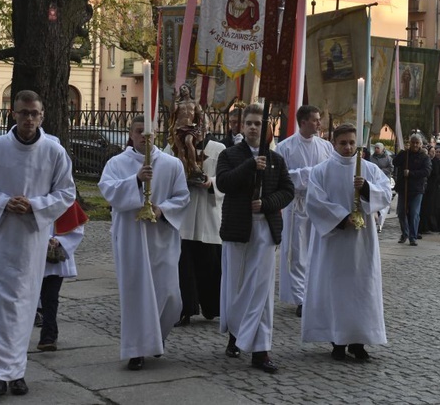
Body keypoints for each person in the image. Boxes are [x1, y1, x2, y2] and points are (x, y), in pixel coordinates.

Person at [0, 90, 76, 397]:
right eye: (23, 113)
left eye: (34, 114)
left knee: (24, 305)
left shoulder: (54, 152)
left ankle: (16, 372)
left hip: (32, 239)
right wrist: (2, 202)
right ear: (13, 114)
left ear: (43, 116)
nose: (29, 119)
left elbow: (67, 193)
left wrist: (36, 206)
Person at [98, 115, 190, 371]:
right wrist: (136, 180)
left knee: (171, 296)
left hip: (161, 236)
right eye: (139, 132)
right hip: (131, 237)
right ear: (131, 134)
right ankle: (137, 350)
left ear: (157, 134)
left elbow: (182, 197)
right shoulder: (117, 163)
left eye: (148, 133)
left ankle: (155, 337)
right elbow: (108, 191)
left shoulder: (172, 164)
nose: (144, 138)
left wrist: (163, 210)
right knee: (136, 295)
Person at [216, 103, 294, 373]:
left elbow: (288, 190)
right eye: (248, 122)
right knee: (237, 286)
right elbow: (223, 183)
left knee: (261, 291)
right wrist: (250, 165)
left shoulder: (276, 159)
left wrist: (267, 203)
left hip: (265, 230)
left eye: (258, 124)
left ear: (266, 128)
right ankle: (236, 334)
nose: (252, 127)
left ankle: (261, 350)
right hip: (238, 230)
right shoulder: (229, 155)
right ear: (241, 125)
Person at [302, 123, 391, 361]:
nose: (348, 147)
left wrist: (366, 190)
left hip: (362, 243)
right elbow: (314, 201)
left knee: (361, 291)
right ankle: (337, 340)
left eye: (352, 142)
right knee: (336, 291)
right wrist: (342, 218)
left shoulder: (369, 170)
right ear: (334, 143)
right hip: (334, 242)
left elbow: (386, 193)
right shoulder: (321, 171)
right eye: (343, 143)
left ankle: (359, 341)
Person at [274, 105, 333, 317]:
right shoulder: (285, 147)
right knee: (297, 251)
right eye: (315, 120)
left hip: (318, 203)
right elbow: (281, 176)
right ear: (304, 122)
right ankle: (300, 298)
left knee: (316, 250)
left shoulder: (326, 147)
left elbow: (330, 172)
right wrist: (309, 174)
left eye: (319, 119)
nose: (319, 123)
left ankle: (316, 293)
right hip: (296, 204)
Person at [171, 136, 225, 327]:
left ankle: (212, 307)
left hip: (207, 213)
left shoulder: (218, 148)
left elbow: (225, 178)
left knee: (210, 262)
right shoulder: (173, 148)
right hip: (184, 214)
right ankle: (184, 309)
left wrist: (211, 183)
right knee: (183, 265)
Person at [37, 200, 88, 352]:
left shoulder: (65, 200)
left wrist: (58, 241)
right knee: (34, 296)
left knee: (50, 296)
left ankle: (48, 336)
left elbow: (77, 227)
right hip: (31, 253)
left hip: (54, 258)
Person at [392, 133, 432, 245]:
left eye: (417, 143)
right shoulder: (405, 154)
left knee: (414, 213)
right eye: (413, 142)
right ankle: (405, 233)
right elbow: (395, 162)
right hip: (403, 188)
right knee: (401, 212)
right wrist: (401, 153)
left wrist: (411, 173)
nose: (414, 145)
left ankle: (413, 236)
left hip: (417, 189)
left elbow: (427, 171)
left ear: (420, 144)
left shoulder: (424, 157)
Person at [169, 82, 205, 182]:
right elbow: (172, 111)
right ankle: (184, 172)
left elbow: (201, 115)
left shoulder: (194, 103)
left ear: (189, 89)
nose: (183, 90)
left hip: (190, 127)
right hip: (178, 127)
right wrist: (173, 99)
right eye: (181, 89)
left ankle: (194, 165)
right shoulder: (178, 103)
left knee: (189, 141)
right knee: (181, 150)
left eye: (185, 88)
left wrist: (204, 125)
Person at [370, 142, 394, 232]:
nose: (376, 149)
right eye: (375, 148)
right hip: (374, 181)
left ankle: (380, 222)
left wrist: (381, 171)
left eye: (378, 148)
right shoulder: (372, 158)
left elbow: (391, 168)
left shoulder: (388, 158)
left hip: (384, 180)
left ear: (382, 149)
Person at [419, 145, 440, 234]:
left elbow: (435, 175)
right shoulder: (424, 161)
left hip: (431, 188)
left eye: (433, 152)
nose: (432, 153)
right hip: (422, 187)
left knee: (428, 208)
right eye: (431, 151)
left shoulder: (435, 162)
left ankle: (427, 226)